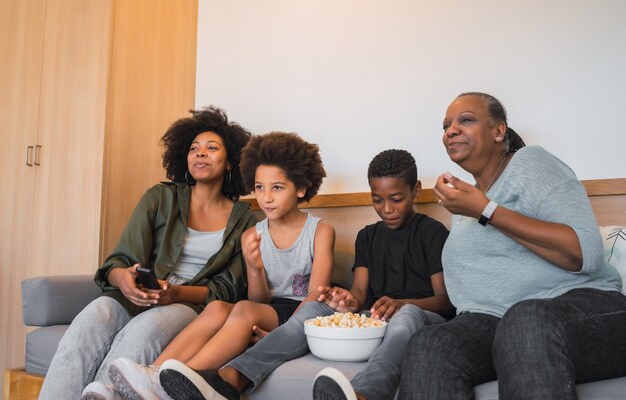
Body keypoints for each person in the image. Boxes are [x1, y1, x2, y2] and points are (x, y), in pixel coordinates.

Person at [156, 149, 454, 400]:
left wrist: (403, 304)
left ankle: (364, 393)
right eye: (378, 200)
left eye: (397, 199)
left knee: (407, 316)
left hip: (416, 316)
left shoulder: (431, 233)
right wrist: (346, 299)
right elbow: (360, 296)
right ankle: (230, 380)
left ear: (415, 191)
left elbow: (445, 301)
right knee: (314, 308)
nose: (387, 208)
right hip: (372, 320)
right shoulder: (367, 236)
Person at [398, 92, 626, 400]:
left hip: (585, 310)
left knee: (526, 319)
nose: (450, 130)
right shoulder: (466, 203)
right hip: (496, 323)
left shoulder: (530, 163)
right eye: (446, 125)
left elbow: (584, 251)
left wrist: (487, 211)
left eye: (465, 120)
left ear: (498, 131)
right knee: (430, 343)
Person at [39, 107, 257, 400]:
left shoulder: (246, 221)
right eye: (194, 149)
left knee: (147, 328)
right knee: (92, 315)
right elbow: (119, 261)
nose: (200, 154)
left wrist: (175, 294)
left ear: (231, 159)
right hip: (136, 295)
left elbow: (227, 290)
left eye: (211, 148)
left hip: (187, 305)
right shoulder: (160, 197)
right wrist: (123, 279)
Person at [103, 131, 335, 400]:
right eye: (259, 187)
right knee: (216, 307)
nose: (266, 197)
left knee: (244, 309)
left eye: (277, 188)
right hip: (269, 310)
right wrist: (255, 267)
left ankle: (181, 380)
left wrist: (281, 336)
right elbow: (260, 299)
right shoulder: (252, 235)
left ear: (302, 188)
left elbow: (316, 295)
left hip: (302, 312)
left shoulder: (320, 231)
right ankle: (154, 373)